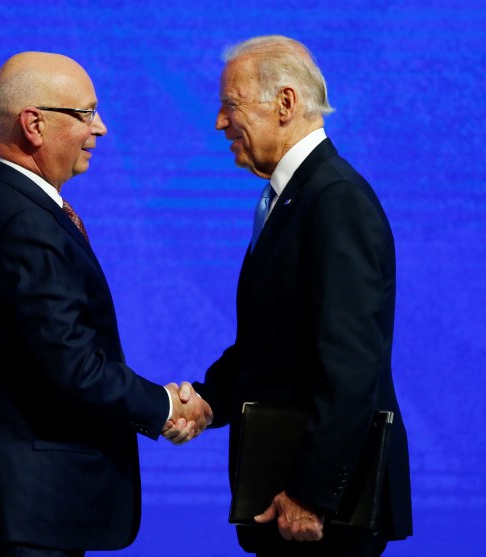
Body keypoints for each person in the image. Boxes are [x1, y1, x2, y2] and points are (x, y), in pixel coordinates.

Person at [0, 51, 212, 557]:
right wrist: (166, 405)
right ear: (34, 124)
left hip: (31, 508)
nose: (101, 128)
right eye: (85, 114)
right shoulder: (21, 221)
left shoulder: (20, 209)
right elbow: (71, 365)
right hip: (25, 510)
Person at [170, 35, 412, 556]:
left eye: (230, 106)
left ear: (285, 103)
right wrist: (209, 399)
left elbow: (351, 363)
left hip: (319, 515)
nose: (219, 122)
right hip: (286, 501)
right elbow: (275, 343)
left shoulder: (335, 200)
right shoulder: (295, 199)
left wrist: (313, 492)